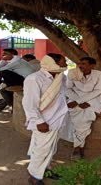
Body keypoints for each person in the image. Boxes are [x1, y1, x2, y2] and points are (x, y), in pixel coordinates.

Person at [22, 53, 68, 185]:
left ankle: (45, 170)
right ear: (52, 63)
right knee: (42, 150)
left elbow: (61, 96)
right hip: (44, 121)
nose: (65, 64)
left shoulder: (61, 77)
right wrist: (39, 122)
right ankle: (34, 176)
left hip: (58, 119)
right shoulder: (35, 79)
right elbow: (29, 104)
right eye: (63, 61)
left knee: (51, 149)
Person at [66, 57, 101, 159]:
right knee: (77, 117)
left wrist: (80, 102)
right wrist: (77, 101)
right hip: (75, 98)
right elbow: (67, 89)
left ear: (92, 66)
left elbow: (98, 91)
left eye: (83, 63)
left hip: (93, 100)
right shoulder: (72, 72)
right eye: (79, 63)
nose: (80, 66)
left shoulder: (99, 74)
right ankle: (79, 146)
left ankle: (77, 147)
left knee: (84, 119)